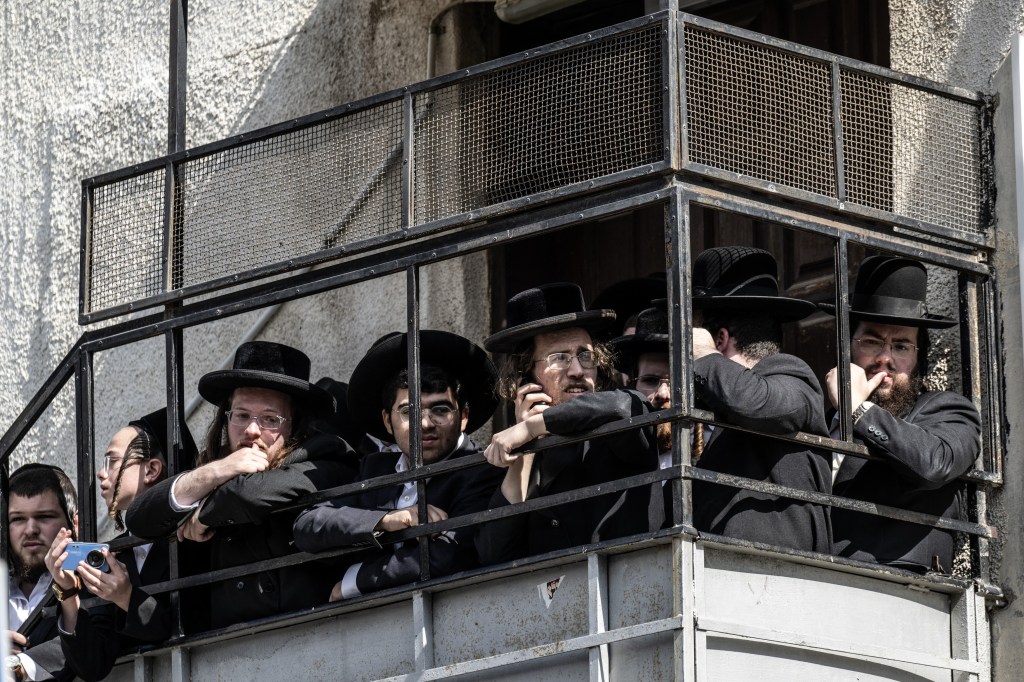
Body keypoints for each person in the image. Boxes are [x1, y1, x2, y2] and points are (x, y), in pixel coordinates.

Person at [126, 341, 359, 628]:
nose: (251, 430)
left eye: (270, 419)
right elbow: (139, 518)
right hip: (228, 640)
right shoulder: (217, 468)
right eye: (242, 415)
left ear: (294, 425)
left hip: (311, 630)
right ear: (226, 419)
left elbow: (251, 493)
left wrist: (204, 512)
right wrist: (216, 471)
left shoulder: (324, 456)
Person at [293, 331, 504, 599]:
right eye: (408, 412)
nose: (425, 423)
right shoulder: (375, 468)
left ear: (463, 416)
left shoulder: (482, 469)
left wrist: (352, 582)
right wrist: (387, 520)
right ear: (387, 421)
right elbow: (308, 525)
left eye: (440, 410)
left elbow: (447, 557)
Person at [476, 282, 660, 564]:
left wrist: (531, 427)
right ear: (526, 375)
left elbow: (621, 408)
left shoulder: (624, 413)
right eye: (559, 358)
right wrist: (523, 454)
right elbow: (495, 556)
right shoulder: (511, 454)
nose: (577, 370)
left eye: (586, 356)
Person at [824, 256, 981, 573]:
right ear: (847, 347)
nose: (885, 358)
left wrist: (858, 411)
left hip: (901, 585)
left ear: (919, 358)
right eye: (872, 341)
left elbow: (935, 463)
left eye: (901, 346)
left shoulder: (947, 410)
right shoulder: (822, 421)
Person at [689, 246, 832, 553]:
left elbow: (752, 401)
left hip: (779, 570)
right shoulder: (715, 401)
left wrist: (704, 355)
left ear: (719, 340)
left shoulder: (792, 375)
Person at [61, 408, 207, 661]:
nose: (101, 473)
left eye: (112, 462)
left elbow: (193, 625)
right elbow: (93, 662)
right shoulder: (113, 552)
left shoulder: (194, 536)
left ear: (151, 470)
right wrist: (66, 591)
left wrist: (127, 597)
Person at [6, 464, 117, 682]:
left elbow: (93, 662)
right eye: (18, 519)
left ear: (74, 523)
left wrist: (17, 666)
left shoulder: (97, 581)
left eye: (44, 517)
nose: (30, 529)